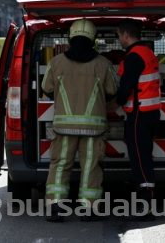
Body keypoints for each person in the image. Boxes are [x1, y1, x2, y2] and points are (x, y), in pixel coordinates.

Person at [41, 19, 117, 222]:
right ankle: (89, 209)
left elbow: (47, 89)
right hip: (94, 128)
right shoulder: (103, 64)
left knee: (60, 164)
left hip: (64, 127)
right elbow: (112, 91)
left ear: (71, 37)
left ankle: (55, 207)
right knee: (91, 166)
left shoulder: (56, 62)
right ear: (93, 39)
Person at [115, 18, 160, 220]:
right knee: (145, 157)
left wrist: (114, 103)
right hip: (150, 112)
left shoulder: (133, 57)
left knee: (140, 160)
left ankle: (146, 205)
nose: (119, 39)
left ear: (126, 34)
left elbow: (126, 88)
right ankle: (146, 200)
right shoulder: (148, 52)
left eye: (119, 35)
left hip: (139, 114)